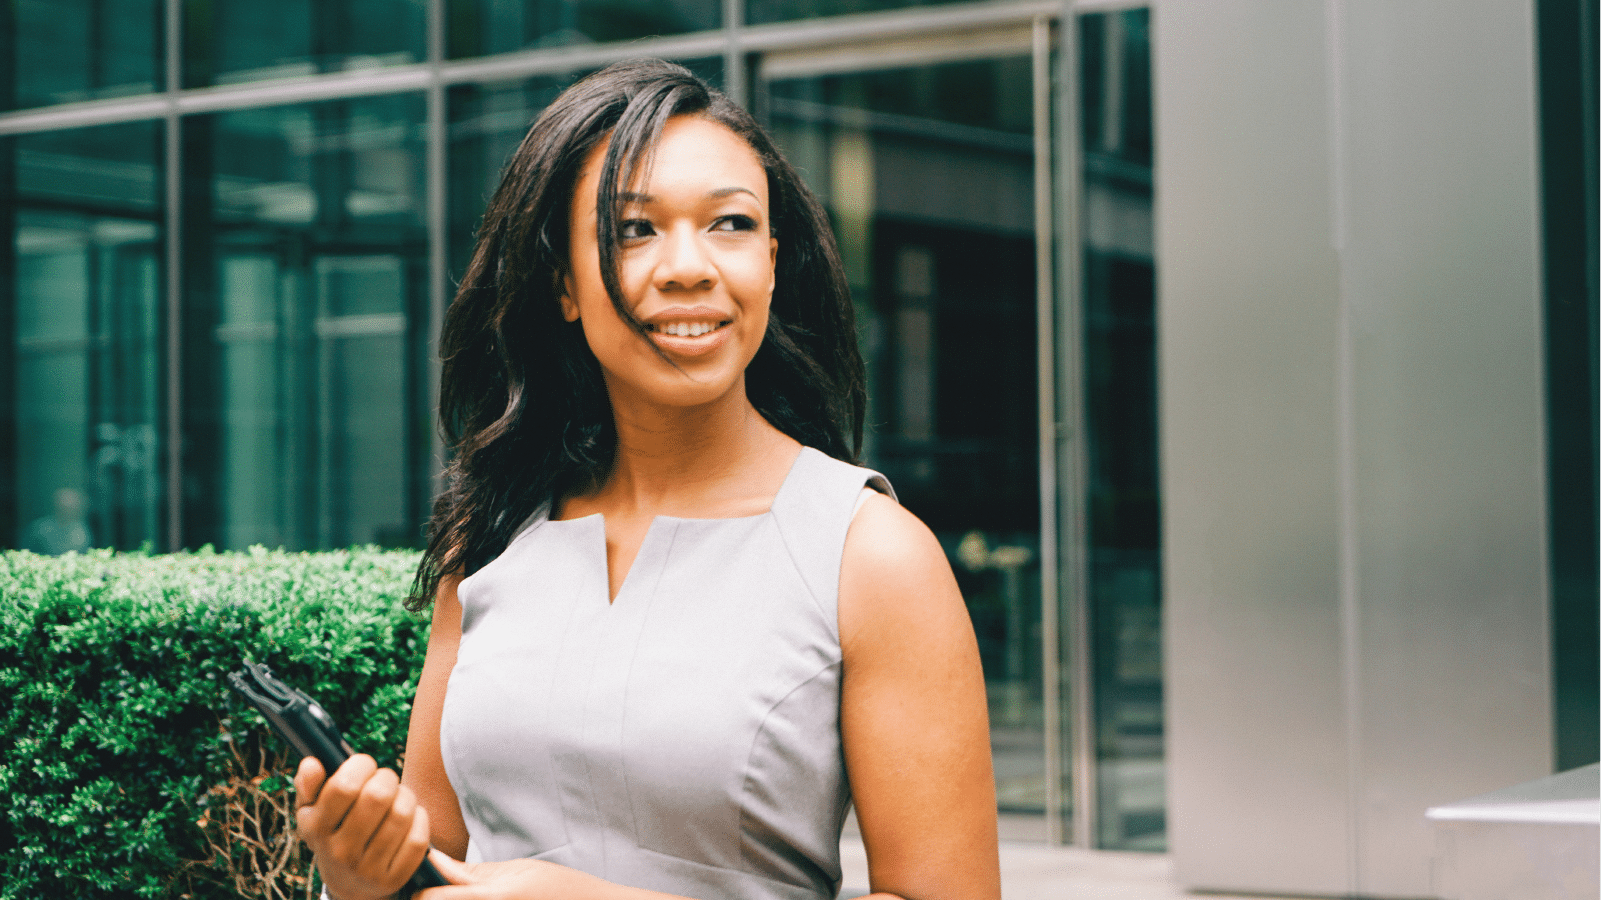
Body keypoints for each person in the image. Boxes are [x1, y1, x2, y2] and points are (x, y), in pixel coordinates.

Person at [292, 58, 999, 900]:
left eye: (730, 224)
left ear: (771, 264)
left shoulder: (869, 554)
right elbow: (437, 860)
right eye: (633, 230)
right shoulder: (489, 538)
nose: (689, 266)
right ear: (562, 283)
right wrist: (358, 874)